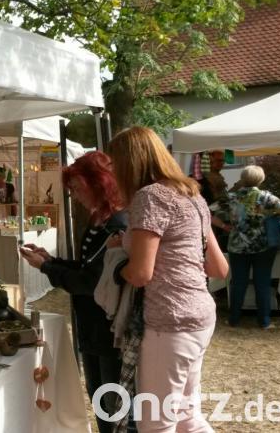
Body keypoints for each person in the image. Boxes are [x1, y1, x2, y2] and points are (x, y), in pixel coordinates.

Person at [106, 126, 228, 432]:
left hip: (169, 321)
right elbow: (218, 268)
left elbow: (140, 274)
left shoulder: (150, 197)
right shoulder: (192, 195)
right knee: (188, 414)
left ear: (128, 163)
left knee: (156, 423)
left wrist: (118, 264)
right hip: (200, 315)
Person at [19, 151, 128, 433]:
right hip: (91, 322)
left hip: (109, 325)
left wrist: (47, 268)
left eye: (78, 188)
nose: (76, 195)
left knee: (112, 399)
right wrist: (51, 260)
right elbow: (85, 267)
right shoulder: (98, 219)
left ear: (100, 183)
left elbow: (91, 282)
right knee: (97, 391)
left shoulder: (117, 223)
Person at [210, 165, 280, 328]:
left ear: (242, 178)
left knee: (238, 282)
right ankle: (264, 321)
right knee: (262, 282)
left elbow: (207, 213)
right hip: (263, 246)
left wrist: (225, 227)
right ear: (260, 180)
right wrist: (272, 216)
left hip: (237, 246)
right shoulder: (266, 197)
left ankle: (233, 319)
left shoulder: (231, 197)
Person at [199, 150, 230, 250]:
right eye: (218, 160)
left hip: (220, 218)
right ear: (209, 161)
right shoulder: (204, 178)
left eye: (222, 161)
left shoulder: (217, 175)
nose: (221, 163)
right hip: (210, 219)